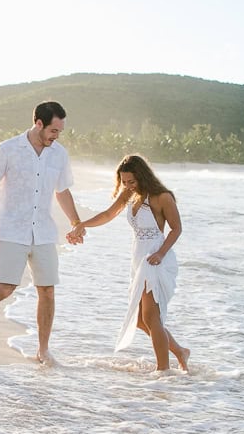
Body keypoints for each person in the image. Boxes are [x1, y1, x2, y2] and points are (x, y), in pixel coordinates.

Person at [0, 101, 85, 365]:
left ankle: (43, 349)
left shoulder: (59, 154)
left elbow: (62, 191)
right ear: (39, 123)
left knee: (47, 290)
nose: (56, 136)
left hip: (44, 232)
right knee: (5, 288)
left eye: (60, 131)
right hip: (13, 228)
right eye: (53, 130)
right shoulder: (9, 148)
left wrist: (76, 222)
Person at [70, 154, 189, 372]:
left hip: (156, 259)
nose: (127, 186)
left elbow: (176, 228)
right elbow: (108, 214)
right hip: (138, 258)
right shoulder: (129, 195)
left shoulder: (162, 197)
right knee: (141, 320)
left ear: (143, 176)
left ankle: (163, 370)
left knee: (151, 317)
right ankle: (180, 351)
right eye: (124, 182)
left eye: (132, 181)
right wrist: (82, 224)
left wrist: (161, 254)